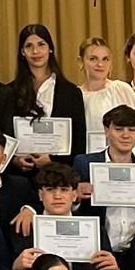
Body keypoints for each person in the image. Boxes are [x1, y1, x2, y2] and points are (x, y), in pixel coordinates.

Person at [10, 164, 123, 270]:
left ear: (74, 195)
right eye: (50, 189)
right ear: (40, 195)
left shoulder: (94, 230)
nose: (57, 196)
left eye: (64, 190)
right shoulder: (24, 230)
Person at [74, 104, 135, 256]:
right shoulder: (84, 164)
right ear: (106, 131)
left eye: (132, 130)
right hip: (97, 249)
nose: (126, 135)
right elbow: (71, 210)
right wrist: (75, 197)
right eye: (119, 129)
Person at [10, 23, 88, 171]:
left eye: (41, 44)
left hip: (60, 175)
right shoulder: (10, 92)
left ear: (50, 48)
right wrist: (15, 160)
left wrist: (53, 160)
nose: (35, 51)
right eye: (29, 46)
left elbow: (79, 140)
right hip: (22, 175)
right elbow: (5, 135)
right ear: (22, 52)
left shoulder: (71, 92)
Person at [77, 37, 135, 137]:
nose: (100, 64)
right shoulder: (75, 96)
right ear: (81, 61)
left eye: (105, 59)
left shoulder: (122, 90)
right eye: (93, 59)